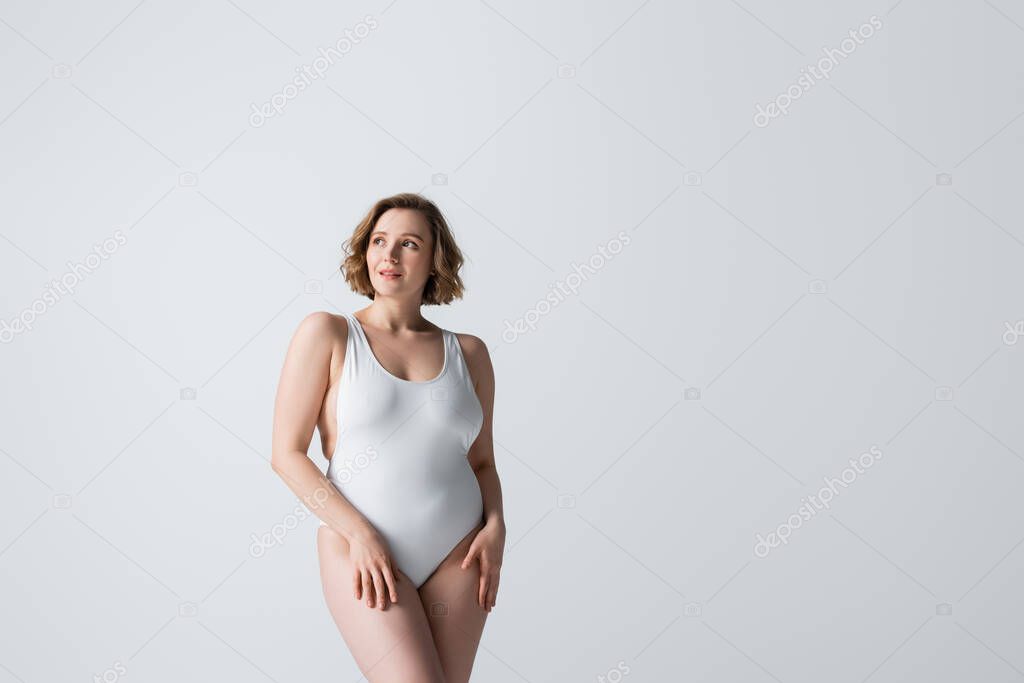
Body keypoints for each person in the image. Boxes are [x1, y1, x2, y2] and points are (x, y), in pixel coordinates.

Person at [270, 192, 505, 682]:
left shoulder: (470, 353)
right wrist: (361, 534)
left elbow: (482, 462)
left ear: (434, 259)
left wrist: (497, 527)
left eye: (408, 244)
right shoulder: (328, 334)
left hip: (460, 555)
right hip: (359, 548)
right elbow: (287, 455)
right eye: (379, 241)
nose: (389, 256)